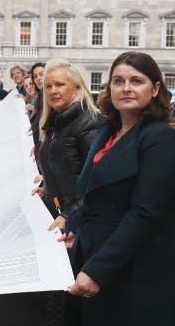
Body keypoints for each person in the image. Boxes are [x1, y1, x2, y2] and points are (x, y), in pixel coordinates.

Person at [60, 51, 175, 325]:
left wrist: (98, 270)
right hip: (100, 254)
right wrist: (73, 225)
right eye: (118, 81)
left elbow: (145, 214)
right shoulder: (109, 132)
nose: (126, 88)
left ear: (155, 89)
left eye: (136, 81)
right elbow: (96, 194)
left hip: (140, 265)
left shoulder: (162, 138)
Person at [36, 59, 104, 231]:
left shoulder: (91, 123)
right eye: (48, 86)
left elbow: (98, 183)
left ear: (77, 88)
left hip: (80, 223)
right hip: (59, 218)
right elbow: (63, 169)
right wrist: (47, 187)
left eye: (59, 84)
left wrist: (70, 215)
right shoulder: (54, 123)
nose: (53, 91)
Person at [29, 62, 46, 160]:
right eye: (35, 76)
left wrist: (40, 147)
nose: (38, 78)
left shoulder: (50, 97)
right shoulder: (40, 97)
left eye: (41, 74)